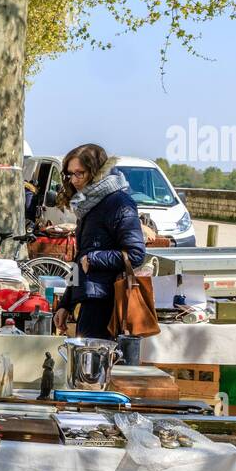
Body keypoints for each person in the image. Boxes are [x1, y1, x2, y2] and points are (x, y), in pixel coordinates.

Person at [52, 143, 146, 339]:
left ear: (96, 172)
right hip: (89, 298)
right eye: (70, 174)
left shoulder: (118, 202)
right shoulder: (88, 204)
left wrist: (94, 258)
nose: (74, 180)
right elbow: (80, 258)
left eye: (80, 173)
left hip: (108, 302)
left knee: (93, 367)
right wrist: (65, 304)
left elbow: (136, 255)